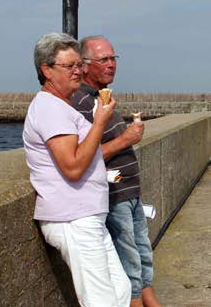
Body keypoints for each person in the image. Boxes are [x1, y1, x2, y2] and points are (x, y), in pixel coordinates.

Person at [23, 32, 131, 307]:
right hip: (73, 219)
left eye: (78, 65)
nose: (78, 71)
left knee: (120, 291)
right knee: (102, 302)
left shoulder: (61, 106)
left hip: (86, 216)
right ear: (46, 70)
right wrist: (98, 122)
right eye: (68, 66)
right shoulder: (49, 108)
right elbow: (72, 167)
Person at [70, 35, 161, 307]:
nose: (111, 65)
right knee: (129, 262)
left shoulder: (102, 98)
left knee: (143, 254)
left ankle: (152, 302)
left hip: (130, 192)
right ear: (85, 65)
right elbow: (83, 156)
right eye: (104, 59)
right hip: (113, 195)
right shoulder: (81, 103)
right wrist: (126, 139)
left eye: (113, 58)